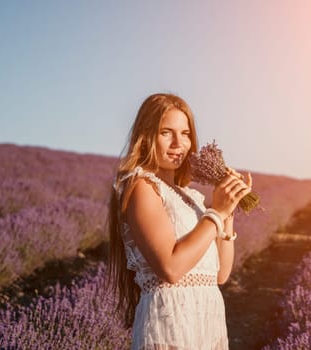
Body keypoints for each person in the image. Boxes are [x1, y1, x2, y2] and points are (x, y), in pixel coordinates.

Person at [107, 92, 252, 349]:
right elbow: (171, 269)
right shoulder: (142, 186)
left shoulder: (192, 196)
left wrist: (228, 213)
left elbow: (219, 275)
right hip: (170, 325)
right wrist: (216, 213)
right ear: (146, 135)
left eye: (185, 134)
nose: (178, 143)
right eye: (166, 132)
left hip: (206, 322)